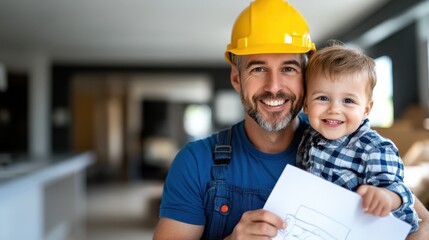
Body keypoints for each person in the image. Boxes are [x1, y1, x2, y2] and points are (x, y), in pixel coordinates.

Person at [153, 0, 429, 239]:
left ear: (305, 78)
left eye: (288, 68)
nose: (274, 86)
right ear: (237, 78)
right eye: (258, 68)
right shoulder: (196, 162)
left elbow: (421, 222)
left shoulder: (348, 148)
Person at [297, 42, 419, 233]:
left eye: (348, 101)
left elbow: (400, 191)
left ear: (366, 109)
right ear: (305, 105)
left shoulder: (374, 149)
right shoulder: (308, 136)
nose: (334, 109)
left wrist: (386, 197)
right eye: (322, 98)